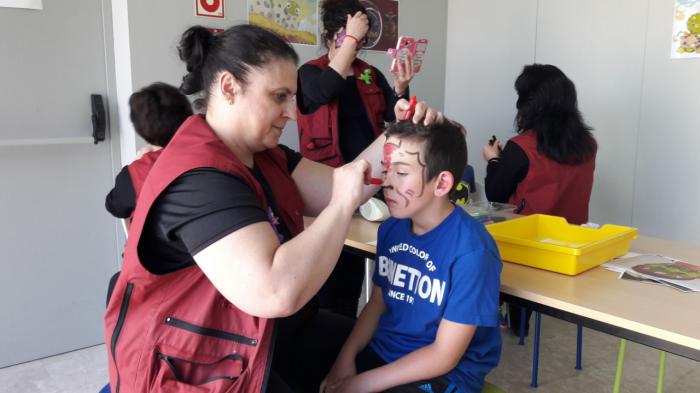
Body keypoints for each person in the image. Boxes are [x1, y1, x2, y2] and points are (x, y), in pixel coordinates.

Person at [103, 24, 442, 393]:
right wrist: (343, 203)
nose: (292, 114)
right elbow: (276, 292)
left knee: (397, 362)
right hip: (203, 361)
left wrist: (399, 133)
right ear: (229, 88)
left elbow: (344, 184)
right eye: (279, 97)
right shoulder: (199, 177)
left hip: (263, 337)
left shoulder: (265, 155)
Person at [321, 120, 502, 393]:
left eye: (401, 172)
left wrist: (361, 384)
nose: (386, 182)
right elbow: (378, 302)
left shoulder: (472, 252)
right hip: (386, 353)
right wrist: (344, 361)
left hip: (444, 374)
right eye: (386, 169)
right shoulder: (392, 228)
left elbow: (444, 355)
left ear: (441, 183)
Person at [296, 0, 416, 318]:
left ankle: (350, 331)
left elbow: (396, 119)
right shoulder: (310, 73)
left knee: (354, 275)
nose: (354, 45)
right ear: (329, 35)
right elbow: (323, 92)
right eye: (347, 35)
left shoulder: (369, 75)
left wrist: (401, 89)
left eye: (359, 39)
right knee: (329, 278)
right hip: (327, 187)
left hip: (370, 188)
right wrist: (349, 40)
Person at [482, 63, 597, 335]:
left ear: (529, 103)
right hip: (570, 243)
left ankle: (500, 310)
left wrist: (493, 159)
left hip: (527, 244)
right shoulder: (588, 144)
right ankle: (521, 320)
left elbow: (495, 195)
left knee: (479, 240)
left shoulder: (521, 146)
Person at [104, 82, 193, 221]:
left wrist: (138, 162)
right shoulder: (208, 149)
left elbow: (115, 207)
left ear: (140, 130)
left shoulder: (137, 173)